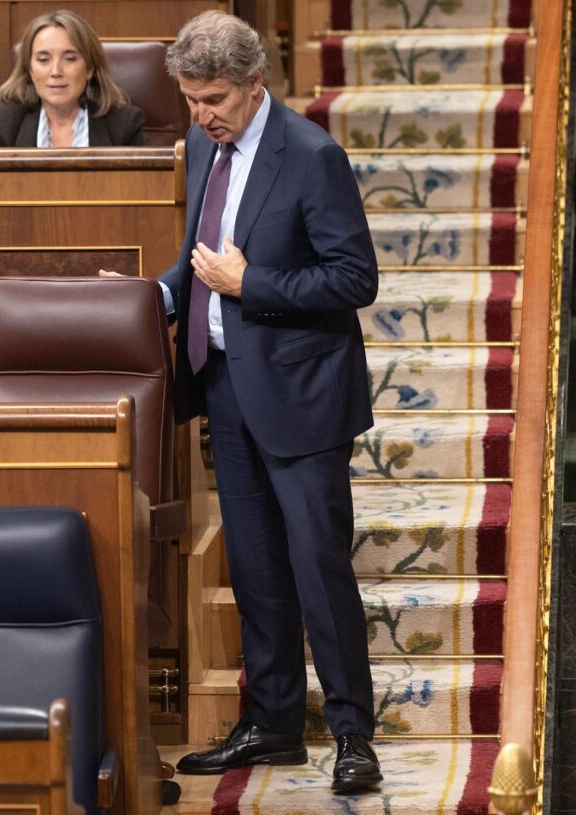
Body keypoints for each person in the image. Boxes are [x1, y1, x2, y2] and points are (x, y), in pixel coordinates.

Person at [154, 11, 380, 794]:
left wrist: (256, 285)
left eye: (213, 98)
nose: (200, 114)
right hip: (226, 382)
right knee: (254, 568)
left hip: (303, 393)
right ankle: (274, 721)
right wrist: (153, 294)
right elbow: (199, 252)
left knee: (318, 568)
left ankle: (353, 731)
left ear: (256, 86)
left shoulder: (313, 156)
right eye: (188, 99)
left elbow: (355, 279)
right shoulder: (197, 146)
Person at [0, 10, 145, 147]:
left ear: (89, 68)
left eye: (70, 59)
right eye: (43, 60)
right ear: (30, 69)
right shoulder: (5, 124)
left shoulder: (124, 124)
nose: (56, 71)